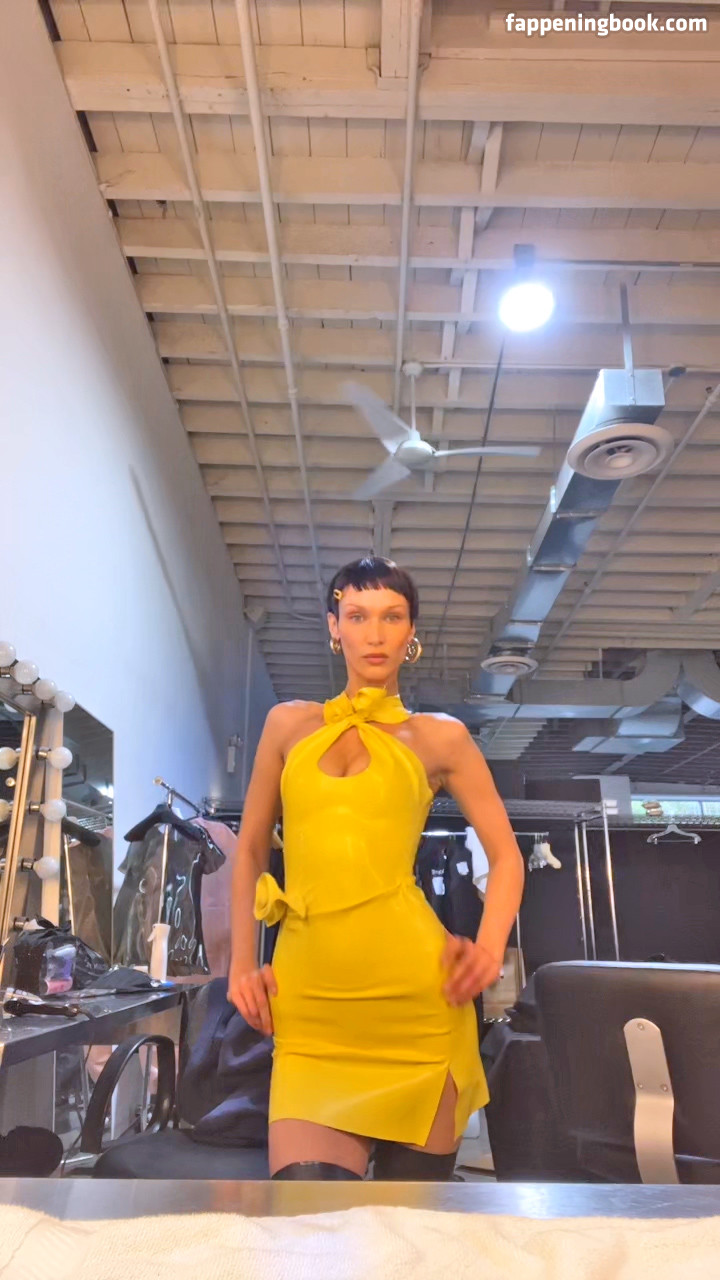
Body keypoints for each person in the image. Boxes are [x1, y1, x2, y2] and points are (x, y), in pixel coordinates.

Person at [229, 557, 524, 1181]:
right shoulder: (287, 725)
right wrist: (239, 964)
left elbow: (506, 856)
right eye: (358, 616)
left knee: (409, 1227)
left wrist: (490, 949)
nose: (375, 633)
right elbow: (250, 849)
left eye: (392, 618)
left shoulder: (441, 738)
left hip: (417, 1003)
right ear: (333, 627)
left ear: (411, 632)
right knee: (307, 1217)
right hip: (310, 1006)